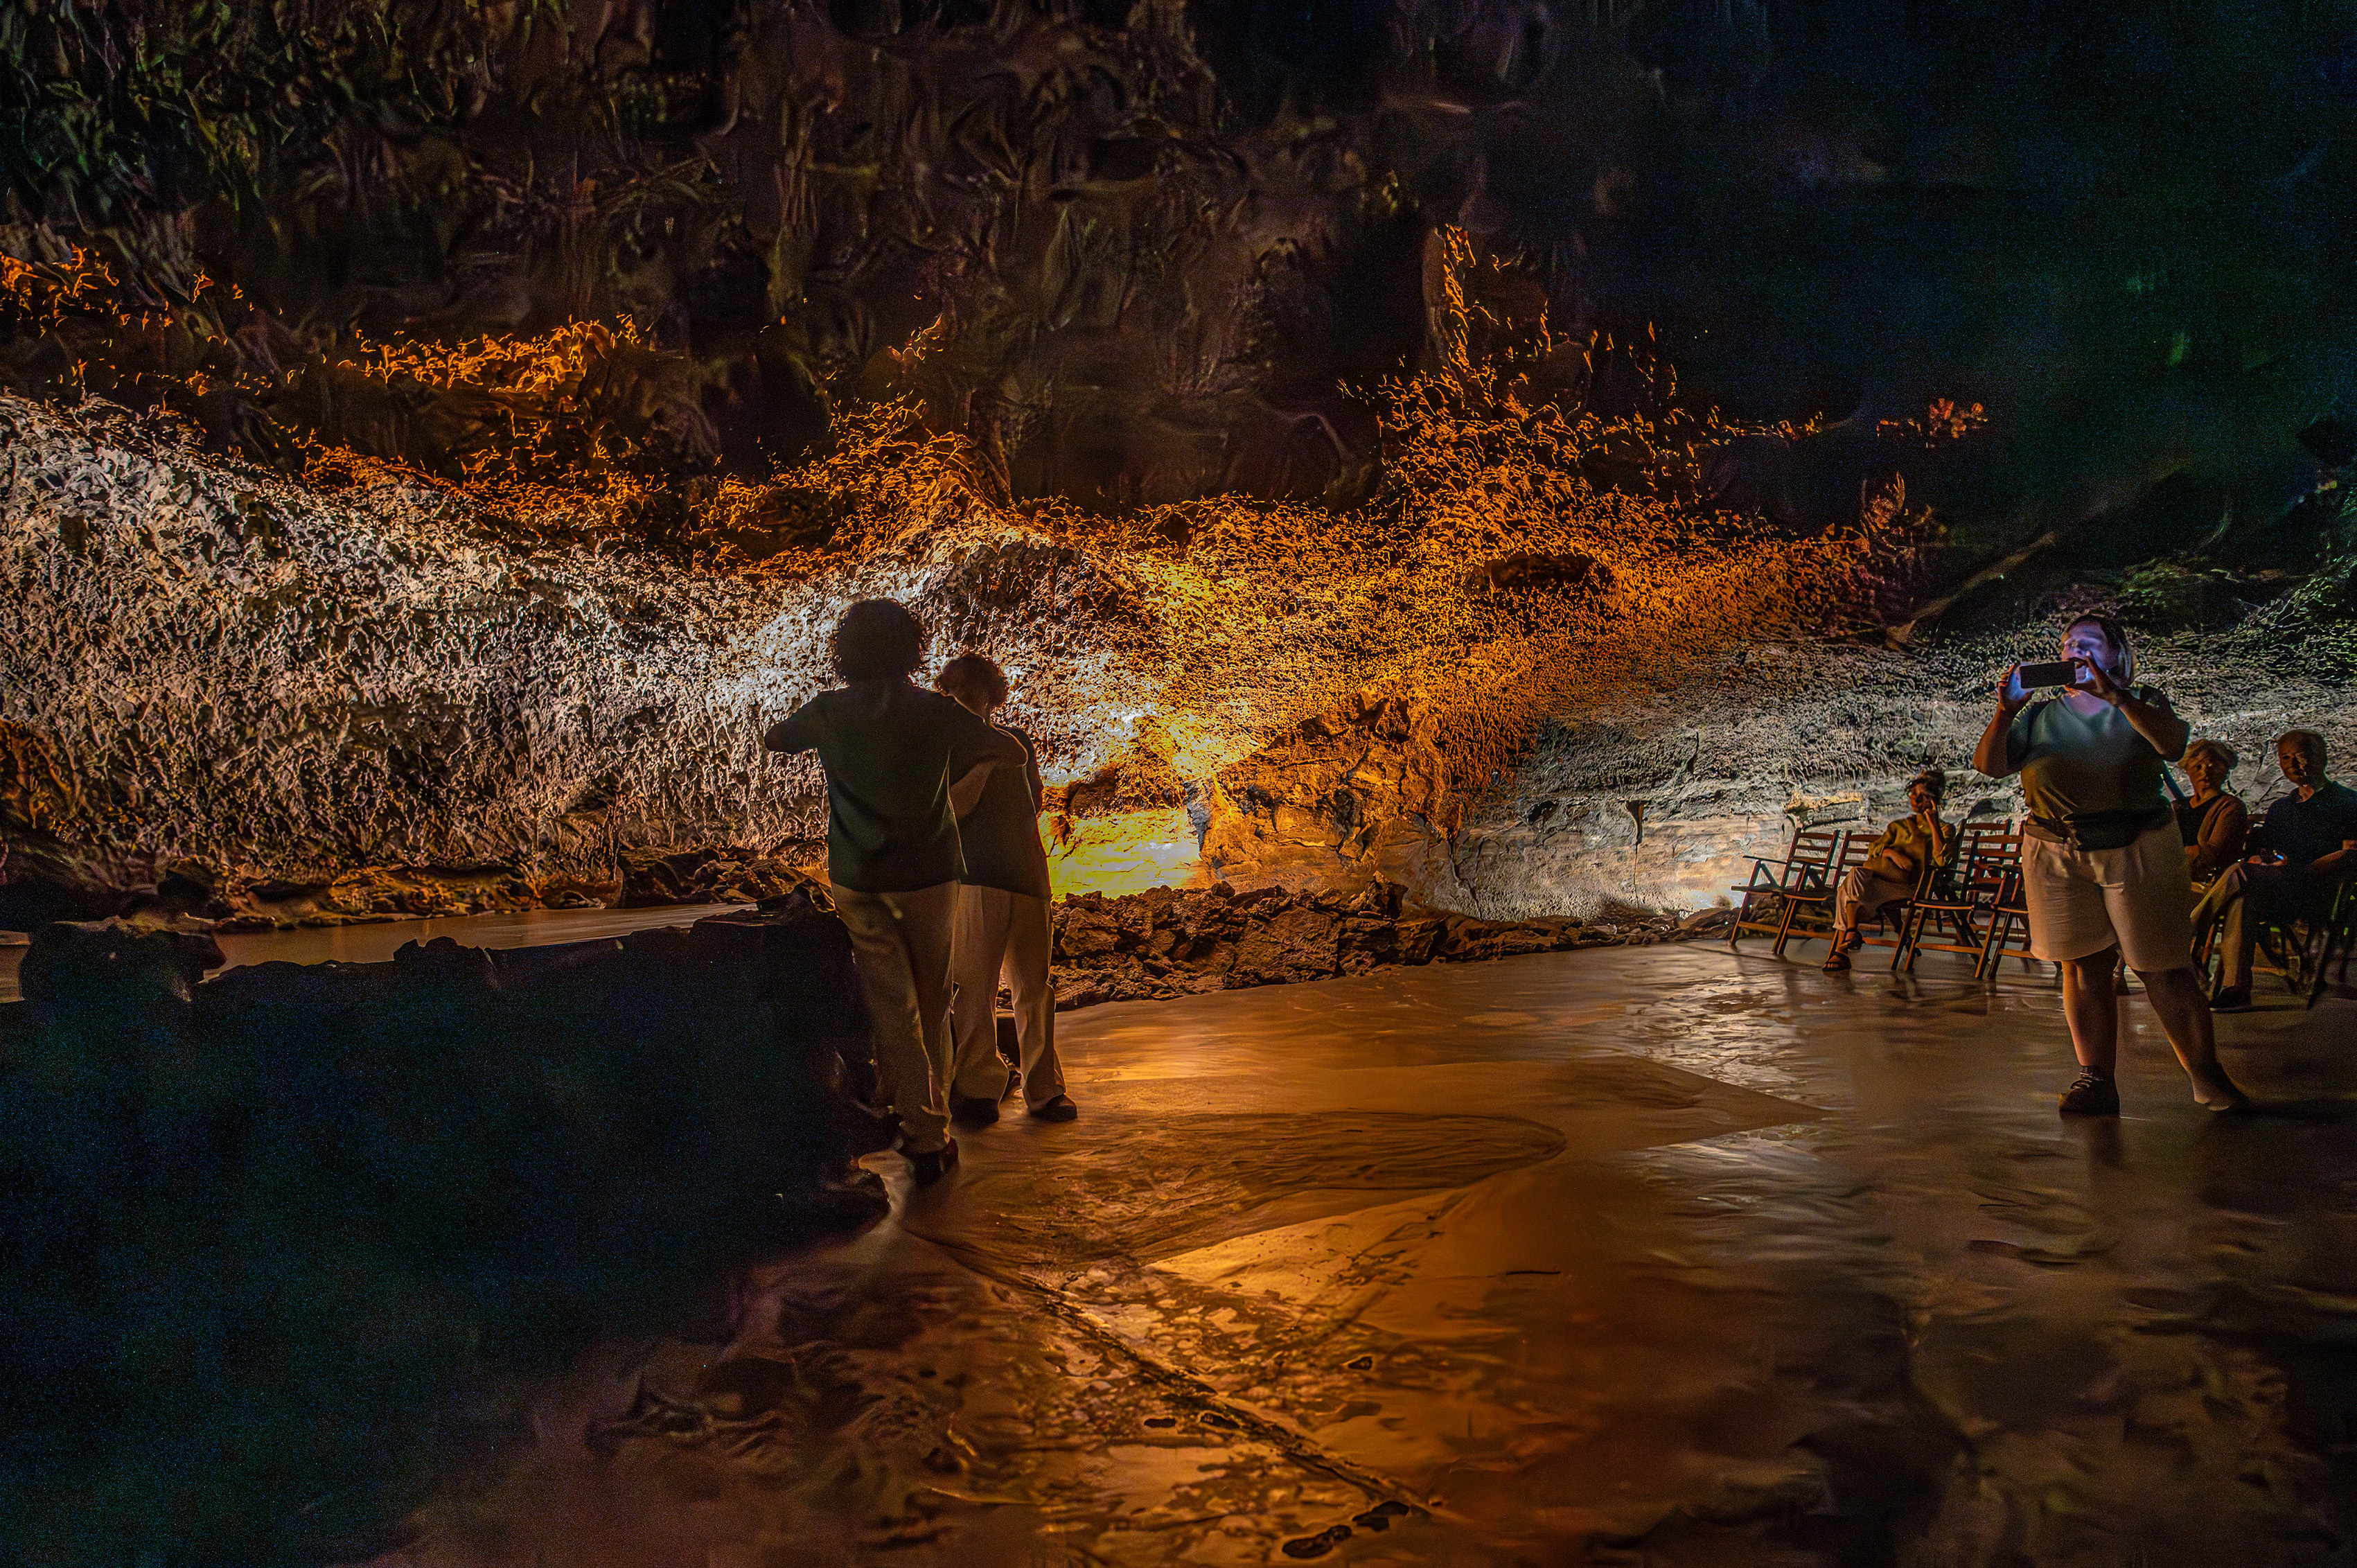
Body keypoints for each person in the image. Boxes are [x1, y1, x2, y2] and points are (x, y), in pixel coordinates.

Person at [763, 600, 1027, 1184]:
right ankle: (931, 1125)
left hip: (860, 877)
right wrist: (961, 760)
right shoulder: (934, 711)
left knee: (891, 1003)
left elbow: (775, 738)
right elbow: (1009, 750)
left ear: (846, 652)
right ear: (912, 648)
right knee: (933, 1000)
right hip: (932, 874)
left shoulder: (829, 711)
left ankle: (920, 1126)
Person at [1971, 613, 2245, 1114]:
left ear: (2116, 654)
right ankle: (2096, 1077)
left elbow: (2172, 744)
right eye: (2068, 643)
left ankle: (2207, 1078)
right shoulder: (2041, 715)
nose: (2075, 649)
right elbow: (1990, 765)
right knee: (2081, 964)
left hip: (2137, 843)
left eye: (2089, 643)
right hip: (2056, 847)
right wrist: (2006, 712)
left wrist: (2117, 695)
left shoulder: (2145, 702)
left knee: (2163, 964)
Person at [935, 655, 1077, 1125]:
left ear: (989, 694)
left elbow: (1034, 800)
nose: (967, 701)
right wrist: (986, 766)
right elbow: (954, 807)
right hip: (975, 877)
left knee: (1034, 987)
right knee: (973, 987)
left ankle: (1045, 1089)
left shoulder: (1018, 741)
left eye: (973, 692)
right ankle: (977, 1088)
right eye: (958, 693)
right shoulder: (949, 744)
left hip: (1028, 877)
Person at [2191, 729, 2357, 1012]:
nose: (2292, 763)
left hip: (2317, 887)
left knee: (2239, 873)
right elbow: (2265, 851)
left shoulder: (2347, 802)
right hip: (2277, 885)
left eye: (2299, 755)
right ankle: (2237, 988)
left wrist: (2303, 870)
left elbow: (2350, 854)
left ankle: (2188, 929)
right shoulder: (2282, 808)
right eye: (2285, 757)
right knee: (2243, 892)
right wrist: (2262, 860)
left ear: (2322, 757)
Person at [1821, 769, 1954, 971]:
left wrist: (1933, 823)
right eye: (1913, 794)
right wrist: (1892, 853)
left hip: (1910, 886)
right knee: (1855, 876)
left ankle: (1842, 948)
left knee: (1847, 893)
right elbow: (1874, 849)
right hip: (1881, 879)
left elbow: (1942, 860)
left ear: (1935, 799)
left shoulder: (1944, 829)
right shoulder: (1899, 826)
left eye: (1923, 795)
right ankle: (1849, 934)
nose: (1917, 799)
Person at [2175, 739, 2249, 886]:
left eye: (2212, 766)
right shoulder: (2177, 807)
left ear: (2225, 771)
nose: (2205, 772)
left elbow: (2210, 858)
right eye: (2198, 767)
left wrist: (2173, 858)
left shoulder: (2230, 808)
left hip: (2208, 887)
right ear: (2187, 770)